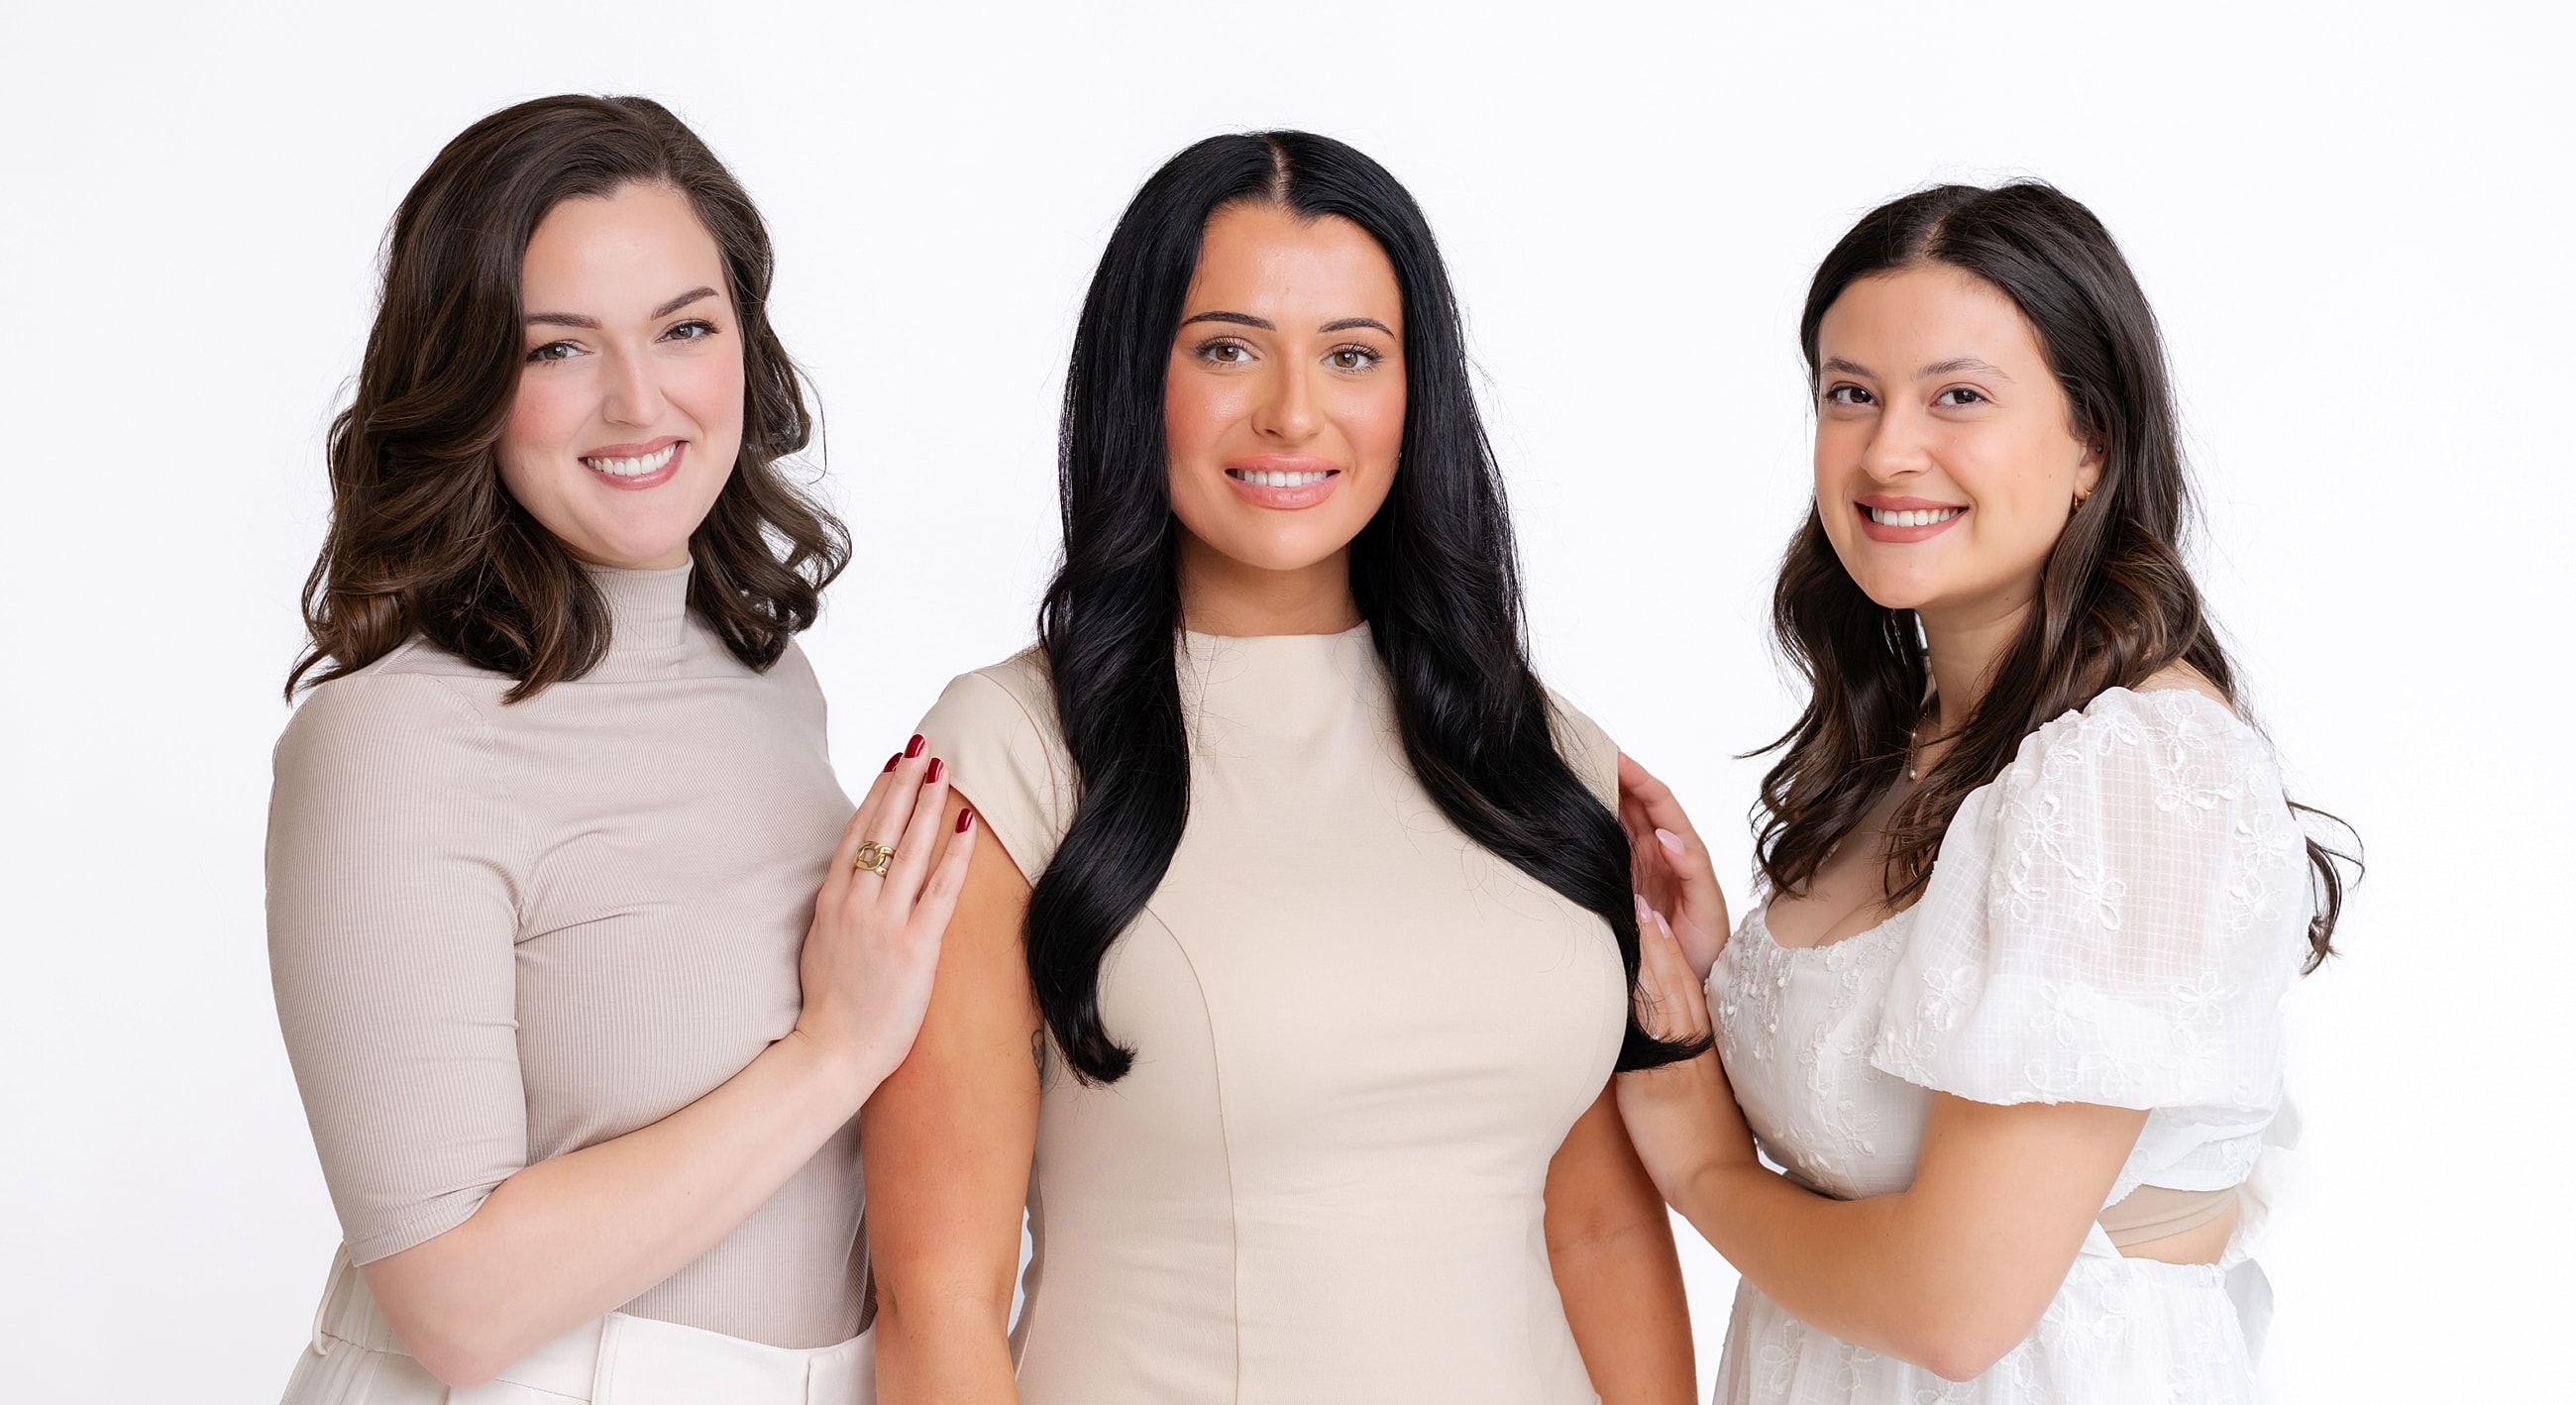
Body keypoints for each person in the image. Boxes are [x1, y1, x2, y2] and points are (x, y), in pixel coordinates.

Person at [862, 132, 1700, 1403]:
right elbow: (939, 1298)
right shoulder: (1006, 755)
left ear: (1415, 392)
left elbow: (1595, 1229)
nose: (1293, 412)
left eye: (1351, 355)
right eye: (1226, 348)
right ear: (1137, 378)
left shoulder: (1535, 746)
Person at [267, 94, 974, 1404]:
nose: (638, 400)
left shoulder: (765, 676)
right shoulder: (388, 742)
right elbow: (457, 1303)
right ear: (467, 380)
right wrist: (833, 1050)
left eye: (685, 329)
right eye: (556, 350)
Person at [1613, 182, 2355, 1402]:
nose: (1886, 447)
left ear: (2090, 445)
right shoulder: (1918, 755)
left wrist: (1700, 1169)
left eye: (1956, 395)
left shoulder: (2133, 773)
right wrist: (1727, 976)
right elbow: (1880, 1132)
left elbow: (1952, 1306)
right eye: (1848, 392)